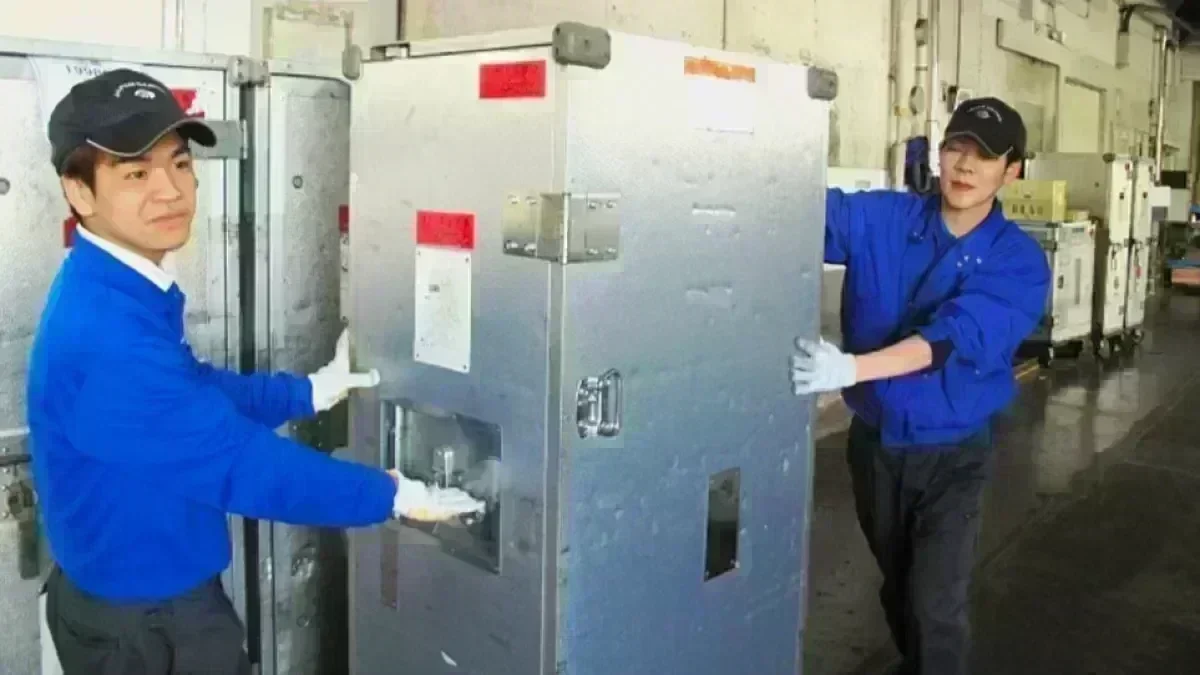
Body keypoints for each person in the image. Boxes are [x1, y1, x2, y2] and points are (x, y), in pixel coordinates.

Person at [27, 68, 483, 675]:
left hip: (138, 598)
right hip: (146, 628)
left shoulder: (118, 286)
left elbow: (191, 389)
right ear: (79, 192)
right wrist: (393, 495)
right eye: (135, 173)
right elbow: (239, 465)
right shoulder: (106, 333)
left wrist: (307, 393)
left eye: (180, 163)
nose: (170, 190)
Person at [791, 97, 1051, 675]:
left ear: (1011, 170)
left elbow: (950, 338)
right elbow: (794, 211)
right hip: (875, 447)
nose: (965, 165)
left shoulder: (1019, 262)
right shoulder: (885, 219)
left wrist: (850, 370)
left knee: (936, 603)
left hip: (951, 456)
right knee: (900, 585)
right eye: (956, 147)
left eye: (985, 156)